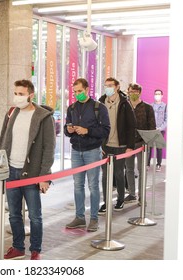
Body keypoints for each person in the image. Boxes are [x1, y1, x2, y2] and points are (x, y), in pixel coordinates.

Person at [0, 79, 55, 260]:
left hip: (30, 173)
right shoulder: (11, 113)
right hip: (11, 171)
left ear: (31, 95)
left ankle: (36, 249)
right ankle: (18, 247)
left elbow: (49, 148)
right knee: (14, 214)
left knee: (35, 216)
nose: (17, 97)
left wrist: (45, 176)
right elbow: (3, 140)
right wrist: (0, 167)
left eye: (21, 94)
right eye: (15, 93)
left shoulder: (43, 117)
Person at [64, 78, 110, 232]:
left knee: (93, 186)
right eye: (75, 92)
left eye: (80, 91)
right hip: (76, 151)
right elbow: (66, 129)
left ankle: (94, 219)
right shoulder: (71, 108)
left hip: (92, 151)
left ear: (87, 89)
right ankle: (79, 217)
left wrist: (87, 131)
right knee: (78, 185)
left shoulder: (99, 107)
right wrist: (68, 130)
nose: (77, 94)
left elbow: (106, 130)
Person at [98, 77, 136, 214]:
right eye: (105, 85)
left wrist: (130, 146)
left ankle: (120, 199)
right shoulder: (101, 103)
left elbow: (131, 126)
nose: (107, 88)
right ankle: (106, 202)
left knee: (119, 173)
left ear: (117, 87)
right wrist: (99, 144)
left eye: (110, 85)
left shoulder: (125, 103)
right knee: (105, 175)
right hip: (105, 145)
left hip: (121, 145)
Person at [124, 83, 156, 204]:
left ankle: (142, 196)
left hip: (142, 143)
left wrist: (148, 142)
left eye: (136, 91)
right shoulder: (125, 106)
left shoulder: (147, 108)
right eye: (132, 91)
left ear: (140, 92)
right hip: (128, 144)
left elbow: (152, 126)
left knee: (142, 170)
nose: (134, 94)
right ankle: (132, 194)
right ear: (128, 92)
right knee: (129, 169)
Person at [148, 89, 167, 172]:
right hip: (151, 129)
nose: (157, 95)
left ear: (162, 95)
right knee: (149, 147)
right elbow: (148, 118)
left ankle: (158, 164)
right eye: (156, 94)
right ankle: (147, 164)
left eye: (159, 94)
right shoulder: (150, 106)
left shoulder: (165, 106)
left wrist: (160, 128)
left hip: (160, 130)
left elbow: (166, 119)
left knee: (159, 148)